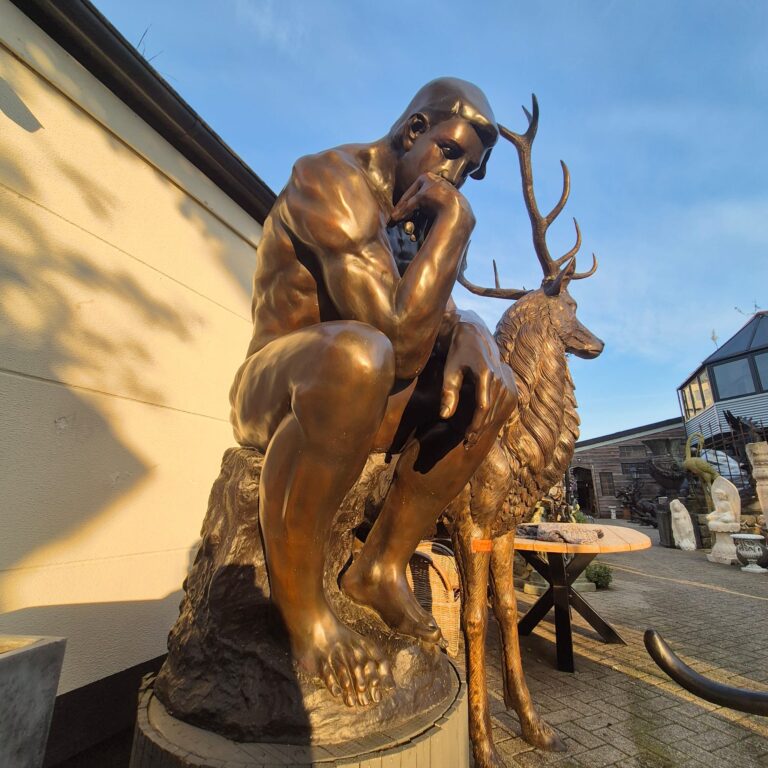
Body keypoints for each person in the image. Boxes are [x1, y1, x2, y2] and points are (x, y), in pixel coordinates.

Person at [229, 78, 517, 708]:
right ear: (414, 130)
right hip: (276, 386)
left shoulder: (412, 215)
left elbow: (431, 316)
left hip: (358, 393)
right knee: (364, 354)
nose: (455, 178)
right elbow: (397, 339)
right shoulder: (329, 179)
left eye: (469, 172)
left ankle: (380, 567)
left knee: (492, 391)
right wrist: (457, 229)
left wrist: (475, 333)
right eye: (450, 152)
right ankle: (302, 609)